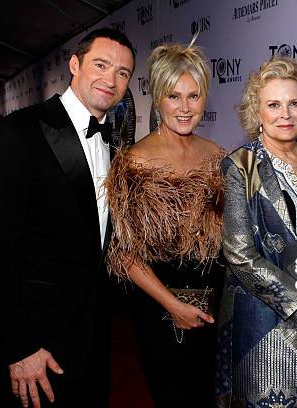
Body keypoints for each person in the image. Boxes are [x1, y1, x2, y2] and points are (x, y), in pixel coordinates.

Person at [0, 28, 135, 408]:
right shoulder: (18, 134)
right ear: (74, 64)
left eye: (123, 73)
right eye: (101, 64)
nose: (111, 80)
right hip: (35, 345)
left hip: (91, 338)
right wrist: (20, 347)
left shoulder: (114, 143)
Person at [216, 56, 297, 407]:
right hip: (264, 326)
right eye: (273, 104)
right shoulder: (240, 166)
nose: (285, 114)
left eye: (294, 103)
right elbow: (240, 255)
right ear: (256, 112)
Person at [105, 42, 224, 406]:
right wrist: (172, 304)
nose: (185, 108)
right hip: (160, 309)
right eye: (174, 96)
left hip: (215, 304)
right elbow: (124, 254)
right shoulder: (134, 161)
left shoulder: (218, 154)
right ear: (158, 98)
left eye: (194, 95)